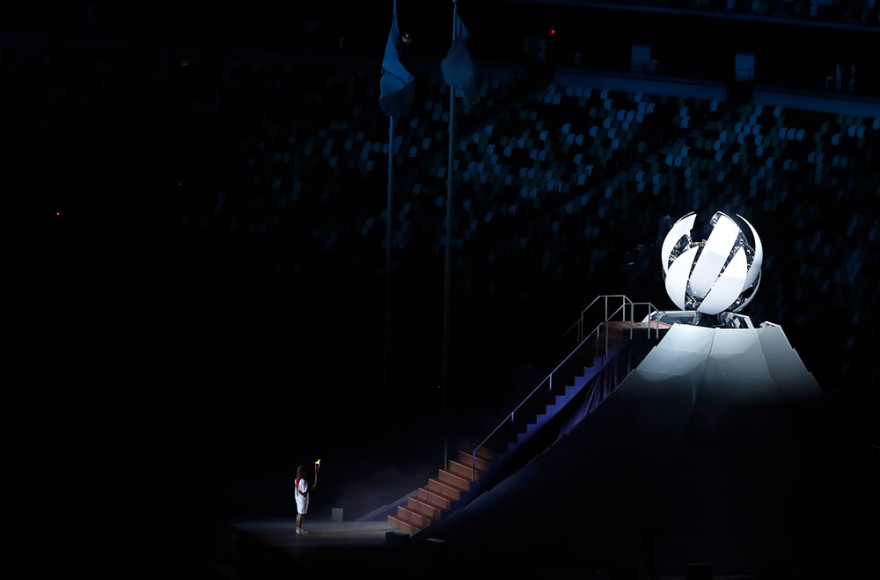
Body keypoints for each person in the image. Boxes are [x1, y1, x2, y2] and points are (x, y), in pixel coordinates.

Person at [294, 465, 310, 535]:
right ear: (302, 472)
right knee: (300, 514)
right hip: (302, 499)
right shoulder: (303, 481)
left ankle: (299, 528)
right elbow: (304, 493)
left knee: (299, 513)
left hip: (298, 498)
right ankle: (298, 529)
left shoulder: (296, 479)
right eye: (305, 472)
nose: (306, 473)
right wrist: (311, 489)